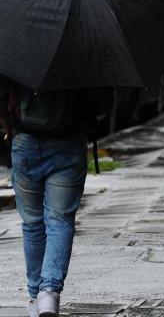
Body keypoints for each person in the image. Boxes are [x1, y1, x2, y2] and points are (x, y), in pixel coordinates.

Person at [0, 81, 113, 317]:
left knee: (32, 224)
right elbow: (104, 103)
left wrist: (8, 123)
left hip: (26, 142)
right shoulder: (84, 52)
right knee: (60, 220)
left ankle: (34, 297)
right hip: (68, 145)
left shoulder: (20, 48)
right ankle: (49, 292)